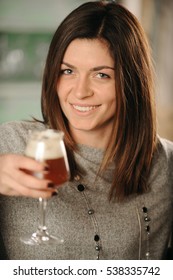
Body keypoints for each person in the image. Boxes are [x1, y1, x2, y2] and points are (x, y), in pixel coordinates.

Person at [0, 0, 173, 260]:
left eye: (101, 75)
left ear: (131, 83)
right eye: (67, 71)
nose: (80, 92)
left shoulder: (165, 163)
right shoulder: (12, 142)